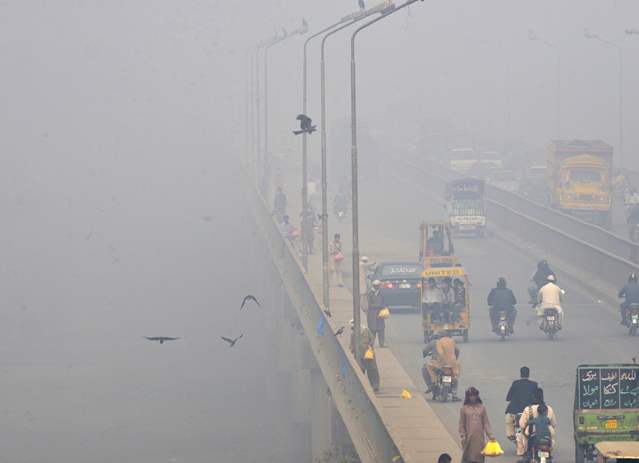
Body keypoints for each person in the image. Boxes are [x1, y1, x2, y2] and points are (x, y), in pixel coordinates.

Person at [459, 387, 495, 463]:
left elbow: (486, 423)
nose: (473, 397)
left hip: (479, 438)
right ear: (468, 397)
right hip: (468, 438)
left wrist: (490, 435)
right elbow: (461, 424)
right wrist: (463, 435)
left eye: (474, 395)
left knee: (479, 457)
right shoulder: (464, 409)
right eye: (471, 395)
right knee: (468, 457)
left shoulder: (482, 408)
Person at [519, 388, 556, 458]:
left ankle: (526, 453)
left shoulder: (528, 409)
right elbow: (553, 424)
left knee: (522, 435)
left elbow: (522, 425)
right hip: (547, 436)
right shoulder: (549, 409)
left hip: (532, 435)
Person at [505, 366, 538, 443]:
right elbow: (537, 399)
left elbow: (508, 398)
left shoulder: (515, 383)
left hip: (514, 411)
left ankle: (511, 435)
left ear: (520, 374)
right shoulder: (534, 384)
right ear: (528, 374)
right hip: (529, 412)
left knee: (508, 421)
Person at [423, 332, 460, 399]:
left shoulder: (435, 342)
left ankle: (430, 386)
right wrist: (455, 359)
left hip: (439, 363)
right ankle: (454, 395)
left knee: (425, 368)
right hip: (451, 363)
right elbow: (457, 351)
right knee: (454, 376)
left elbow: (425, 351)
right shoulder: (451, 342)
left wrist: (424, 355)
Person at [349, 319, 379, 392]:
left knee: (371, 370)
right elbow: (352, 345)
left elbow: (371, 339)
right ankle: (366, 386)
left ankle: (374, 386)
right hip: (362, 354)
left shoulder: (364, 330)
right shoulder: (355, 333)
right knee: (364, 371)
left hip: (366, 354)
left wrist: (370, 346)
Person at [366, 280, 386, 347]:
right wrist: (379, 305)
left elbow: (384, 303)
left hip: (380, 314)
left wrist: (383, 308)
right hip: (372, 314)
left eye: (378, 285)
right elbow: (369, 305)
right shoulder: (370, 294)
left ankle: (382, 344)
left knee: (381, 330)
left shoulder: (381, 293)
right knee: (372, 330)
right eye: (376, 286)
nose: (377, 287)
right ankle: (371, 344)